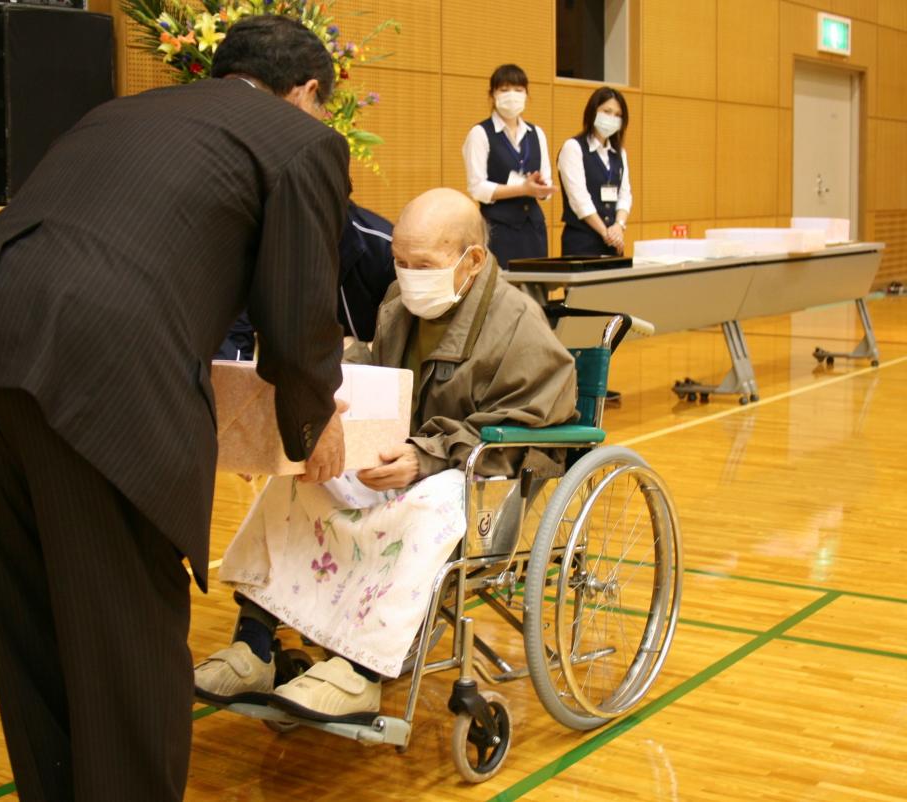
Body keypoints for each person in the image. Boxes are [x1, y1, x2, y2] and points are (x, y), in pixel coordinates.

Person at [0, 16, 351, 801]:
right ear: (308, 91)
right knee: (126, 663)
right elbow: (297, 313)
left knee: (33, 647)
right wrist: (317, 417)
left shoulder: (119, 113)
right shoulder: (296, 138)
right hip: (97, 378)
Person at [194, 188, 578, 720]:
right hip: (399, 464)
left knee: (433, 500)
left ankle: (362, 670)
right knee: (306, 472)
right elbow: (385, 375)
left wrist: (431, 455)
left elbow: (537, 428)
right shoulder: (401, 304)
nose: (407, 274)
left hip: (470, 480)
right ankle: (256, 643)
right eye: (399, 261)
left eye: (424, 264)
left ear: (472, 260)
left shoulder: (519, 326)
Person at [214, 201, 394, 359]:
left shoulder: (384, 249)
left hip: (366, 382)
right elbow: (231, 343)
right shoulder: (252, 242)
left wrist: (354, 351)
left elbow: (399, 352)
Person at [462, 63, 553, 269]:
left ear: (526, 94)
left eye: (519, 90)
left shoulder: (536, 133)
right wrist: (522, 189)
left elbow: (546, 183)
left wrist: (541, 188)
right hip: (498, 229)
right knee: (501, 292)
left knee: (536, 293)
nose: (512, 95)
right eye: (504, 90)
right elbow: (477, 188)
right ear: (492, 94)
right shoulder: (480, 133)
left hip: (533, 227)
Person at [557, 86, 633, 257]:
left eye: (618, 115)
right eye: (607, 111)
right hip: (582, 243)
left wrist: (619, 226)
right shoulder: (573, 147)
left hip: (613, 242)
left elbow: (625, 195)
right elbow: (579, 200)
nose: (612, 118)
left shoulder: (619, 153)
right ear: (593, 112)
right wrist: (607, 234)